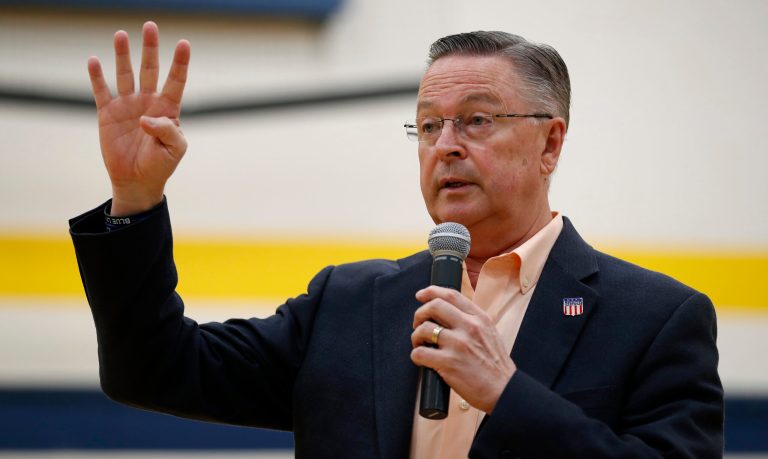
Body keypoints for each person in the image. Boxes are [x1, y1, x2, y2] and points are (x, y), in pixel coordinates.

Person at [69, 21, 723, 458]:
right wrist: (137, 200)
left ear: (550, 141)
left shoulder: (657, 319)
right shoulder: (350, 303)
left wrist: (507, 393)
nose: (446, 146)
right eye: (428, 125)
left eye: (476, 120)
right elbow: (154, 370)